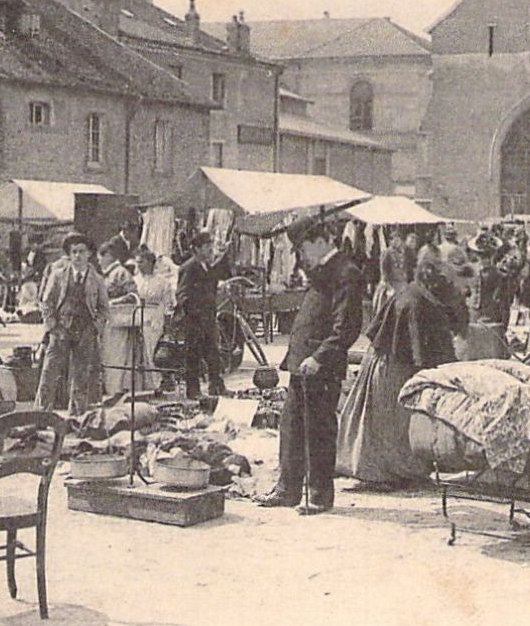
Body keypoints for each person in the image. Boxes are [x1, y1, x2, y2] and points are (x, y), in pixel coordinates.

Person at [259, 218, 364, 512]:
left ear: (320, 241)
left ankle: (319, 495)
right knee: (291, 427)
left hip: (321, 367)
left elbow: (347, 327)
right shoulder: (321, 272)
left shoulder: (346, 272)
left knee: (318, 429)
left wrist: (319, 357)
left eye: (302, 248)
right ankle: (288, 489)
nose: (300, 256)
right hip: (301, 365)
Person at [337, 251, 458, 486]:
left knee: (385, 418)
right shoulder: (415, 301)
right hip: (394, 364)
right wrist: (429, 370)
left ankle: (392, 469)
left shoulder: (414, 294)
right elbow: (416, 344)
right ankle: (389, 472)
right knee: (392, 419)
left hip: (388, 359)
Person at [37, 233, 110, 413]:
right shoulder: (58, 275)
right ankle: (40, 414)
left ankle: (77, 416)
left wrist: (94, 328)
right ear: (69, 255)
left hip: (85, 331)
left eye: (81, 251)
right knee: (49, 373)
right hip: (60, 329)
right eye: (74, 252)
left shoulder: (97, 280)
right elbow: (46, 302)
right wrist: (53, 327)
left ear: (89, 254)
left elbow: (104, 308)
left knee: (81, 376)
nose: (77, 256)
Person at [174, 230, 234, 398]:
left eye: (211, 246)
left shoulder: (208, 266)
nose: (210, 249)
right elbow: (182, 294)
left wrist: (225, 253)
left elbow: (225, 274)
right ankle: (193, 391)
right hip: (195, 320)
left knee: (213, 353)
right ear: (197, 249)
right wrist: (193, 313)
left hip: (209, 318)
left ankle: (216, 386)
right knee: (193, 355)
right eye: (207, 246)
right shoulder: (189, 267)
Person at [98, 240, 140, 394]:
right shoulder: (107, 274)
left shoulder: (120, 273)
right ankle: (111, 390)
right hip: (108, 322)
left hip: (119, 322)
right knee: (107, 358)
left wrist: (112, 302)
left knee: (116, 358)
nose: (99, 261)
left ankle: (115, 390)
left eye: (101, 257)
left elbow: (133, 295)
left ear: (109, 256)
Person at [132, 247, 176, 379]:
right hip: (137, 315)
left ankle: (155, 381)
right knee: (136, 350)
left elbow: (169, 305)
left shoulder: (163, 282)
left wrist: (167, 327)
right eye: (137, 262)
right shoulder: (135, 280)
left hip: (154, 316)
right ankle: (140, 383)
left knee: (151, 348)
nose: (138, 265)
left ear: (151, 262)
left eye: (141, 262)